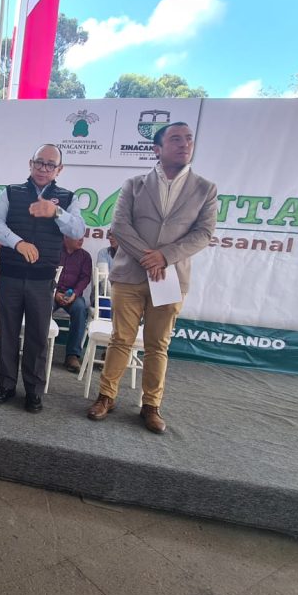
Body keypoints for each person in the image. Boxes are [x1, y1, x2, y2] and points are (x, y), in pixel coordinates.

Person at [87, 122, 217, 433]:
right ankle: (106, 396)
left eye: (189, 139)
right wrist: (149, 258)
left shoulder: (205, 189)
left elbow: (204, 233)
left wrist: (165, 256)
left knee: (158, 344)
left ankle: (151, 405)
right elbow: (120, 225)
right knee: (121, 339)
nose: (185, 144)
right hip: (130, 275)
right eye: (176, 139)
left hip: (171, 278)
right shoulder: (134, 184)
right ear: (157, 149)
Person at [0, 144, 85, 412]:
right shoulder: (11, 192)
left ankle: (33, 391)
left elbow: (78, 230)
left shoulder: (67, 197)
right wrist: (18, 243)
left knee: (37, 336)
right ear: (30, 163)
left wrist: (56, 212)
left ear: (59, 169)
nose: (43, 168)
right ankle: (5, 385)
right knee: (7, 332)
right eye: (39, 162)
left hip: (43, 280)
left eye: (50, 164)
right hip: (10, 275)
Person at [55, 235, 93, 373]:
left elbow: (85, 278)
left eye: (82, 237)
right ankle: (38, 348)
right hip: (53, 293)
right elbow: (46, 272)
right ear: (66, 237)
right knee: (41, 307)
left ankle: (72, 355)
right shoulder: (54, 250)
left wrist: (75, 294)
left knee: (80, 308)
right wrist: (54, 293)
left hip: (73, 296)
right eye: (77, 237)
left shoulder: (85, 256)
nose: (81, 240)